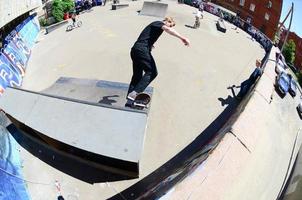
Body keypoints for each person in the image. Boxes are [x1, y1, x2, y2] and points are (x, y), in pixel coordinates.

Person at [126, 17, 190, 106]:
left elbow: (146, 36)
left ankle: (129, 99)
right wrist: (182, 38)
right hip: (141, 50)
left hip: (135, 50)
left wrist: (150, 45)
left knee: (137, 75)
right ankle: (135, 93)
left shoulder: (155, 26)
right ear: (167, 21)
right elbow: (167, 29)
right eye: (170, 25)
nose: (170, 27)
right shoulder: (158, 23)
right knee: (152, 72)